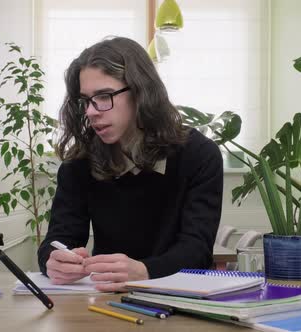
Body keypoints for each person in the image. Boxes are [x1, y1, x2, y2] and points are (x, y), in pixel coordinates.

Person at [37, 36, 223, 292]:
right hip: (104, 300)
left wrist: (145, 271)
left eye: (103, 96)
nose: (91, 112)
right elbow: (59, 239)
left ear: (141, 92)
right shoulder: (79, 163)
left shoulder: (199, 155)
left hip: (180, 298)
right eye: (85, 101)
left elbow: (197, 250)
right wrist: (53, 260)